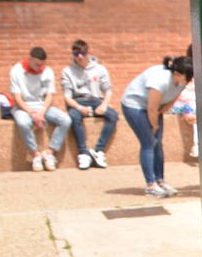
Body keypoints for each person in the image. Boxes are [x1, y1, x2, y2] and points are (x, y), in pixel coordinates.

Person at [120, 55, 192, 198]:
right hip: (135, 106)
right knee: (149, 143)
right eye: (187, 78)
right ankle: (150, 186)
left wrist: (161, 113)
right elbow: (151, 109)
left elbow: (171, 100)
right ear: (177, 73)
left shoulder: (182, 81)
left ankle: (160, 181)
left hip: (154, 108)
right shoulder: (159, 81)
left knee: (158, 144)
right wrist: (153, 126)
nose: (188, 81)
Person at [9, 46, 71, 172]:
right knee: (23, 123)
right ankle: (35, 155)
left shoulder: (47, 71)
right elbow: (17, 98)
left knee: (65, 120)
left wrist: (41, 111)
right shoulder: (16, 71)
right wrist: (32, 114)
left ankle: (50, 152)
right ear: (30, 59)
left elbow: (49, 96)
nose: (40, 68)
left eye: (42, 65)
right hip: (23, 107)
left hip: (43, 106)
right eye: (37, 64)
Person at [60, 39, 118, 169]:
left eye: (82, 53)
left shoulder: (99, 69)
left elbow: (108, 90)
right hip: (77, 101)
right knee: (74, 117)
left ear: (87, 53)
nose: (79, 57)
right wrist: (79, 107)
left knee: (113, 115)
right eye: (76, 54)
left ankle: (98, 151)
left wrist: (104, 105)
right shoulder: (67, 71)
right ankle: (83, 153)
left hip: (96, 100)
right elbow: (67, 97)